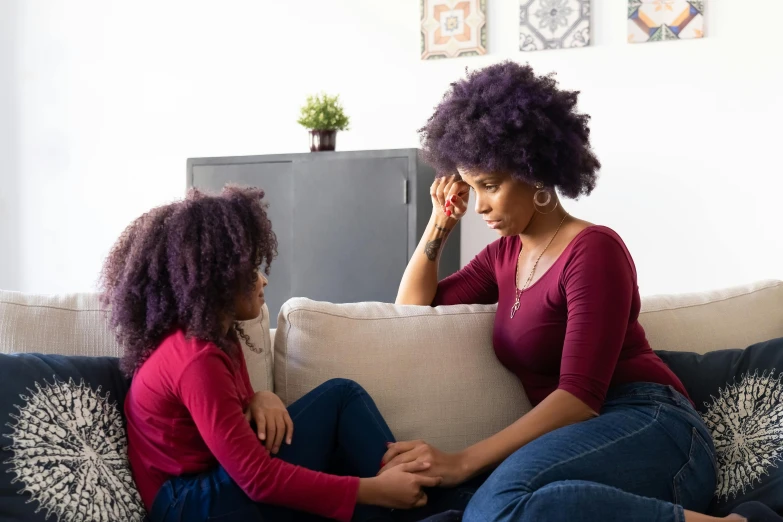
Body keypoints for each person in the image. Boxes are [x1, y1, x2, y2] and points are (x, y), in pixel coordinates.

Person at [388, 61, 777, 522]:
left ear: (535, 171)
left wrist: (462, 459)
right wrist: (440, 222)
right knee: (456, 507)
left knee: (493, 508)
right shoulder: (504, 255)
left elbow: (579, 398)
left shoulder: (594, 250)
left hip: (654, 428)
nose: (482, 206)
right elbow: (411, 310)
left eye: (490, 186)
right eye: (472, 188)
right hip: (582, 441)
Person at [100, 186, 445, 522]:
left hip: (209, 483)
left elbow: (231, 416)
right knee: (342, 401)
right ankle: (423, 506)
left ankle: (420, 502)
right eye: (251, 272)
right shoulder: (194, 358)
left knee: (340, 399)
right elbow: (258, 479)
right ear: (216, 281)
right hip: (184, 505)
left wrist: (260, 397)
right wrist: (375, 490)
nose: (263, 280)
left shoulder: (221, 336)